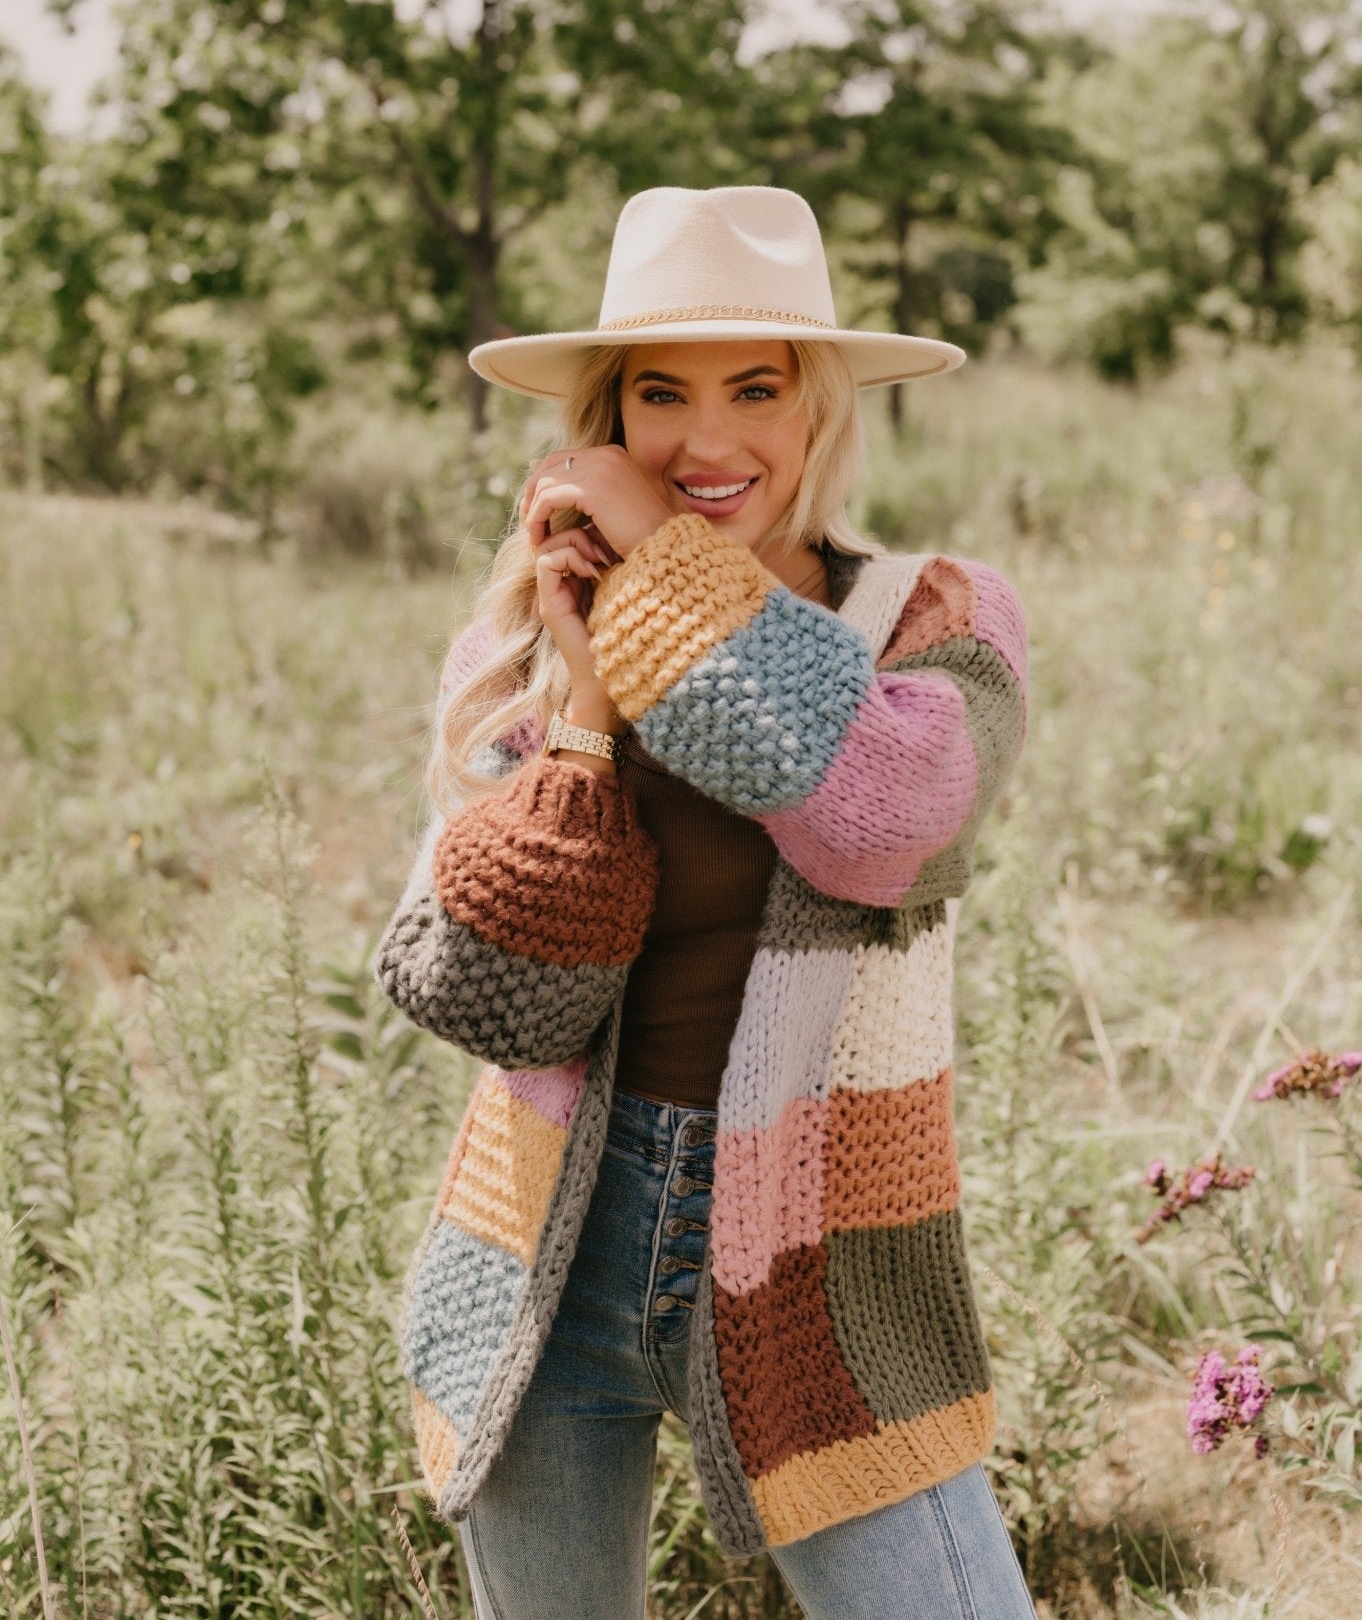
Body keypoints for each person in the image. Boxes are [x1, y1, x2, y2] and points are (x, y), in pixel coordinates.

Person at [374, 185, 1038, 1619]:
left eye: (756, 387)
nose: (708, 439)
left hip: (830, 1265)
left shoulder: (937, 621)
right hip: (545, 1256)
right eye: (661, 395)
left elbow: (876, 823)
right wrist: (588, 714)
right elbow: (495, 997)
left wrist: (661, 578)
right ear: (608, 419)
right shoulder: (520, 648)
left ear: (819, 407)